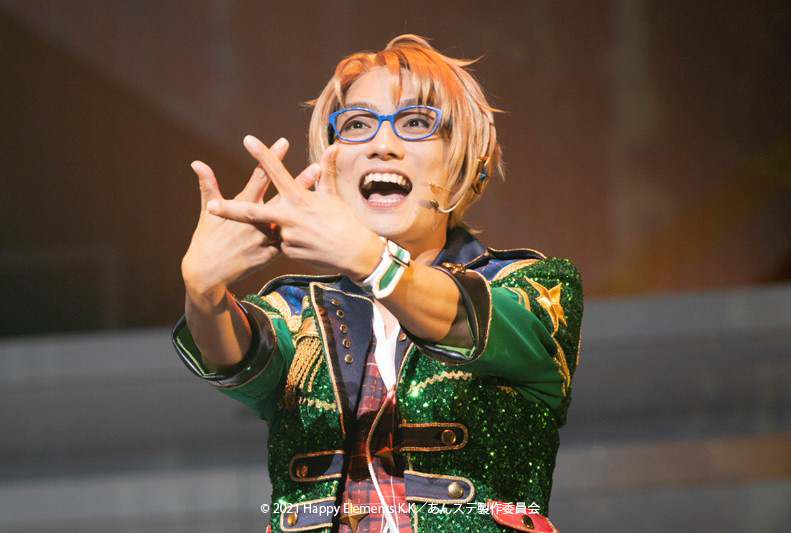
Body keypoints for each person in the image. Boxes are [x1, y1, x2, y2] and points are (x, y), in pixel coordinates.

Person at [173, 34, 582, 533]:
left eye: (416, 123)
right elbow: (237, 355)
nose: (381, 144)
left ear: (467, 158)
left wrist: (371, 262)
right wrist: (203, 291)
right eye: (357, 125)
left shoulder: (534, 285)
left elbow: (470, 319)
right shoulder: (299, 310)